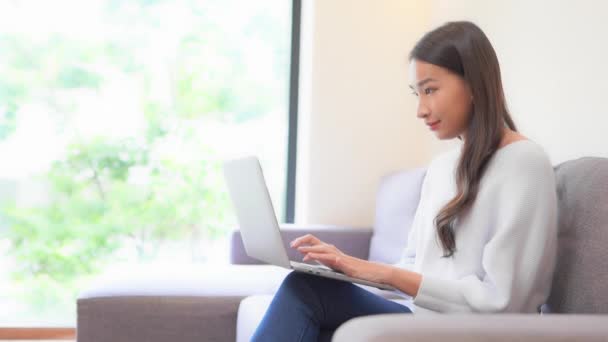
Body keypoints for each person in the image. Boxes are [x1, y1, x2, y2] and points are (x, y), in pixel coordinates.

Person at [252, 20, 558, 342]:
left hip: (470, 332)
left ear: (474, 84)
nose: (420, 110)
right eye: (417, 93)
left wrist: (383, 272)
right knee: (305, 287)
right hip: (420, 318)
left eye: (430, 90)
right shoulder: (442, 168)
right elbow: (411, 264)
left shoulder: (524, 163)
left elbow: (504, 302)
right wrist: (347, 266)